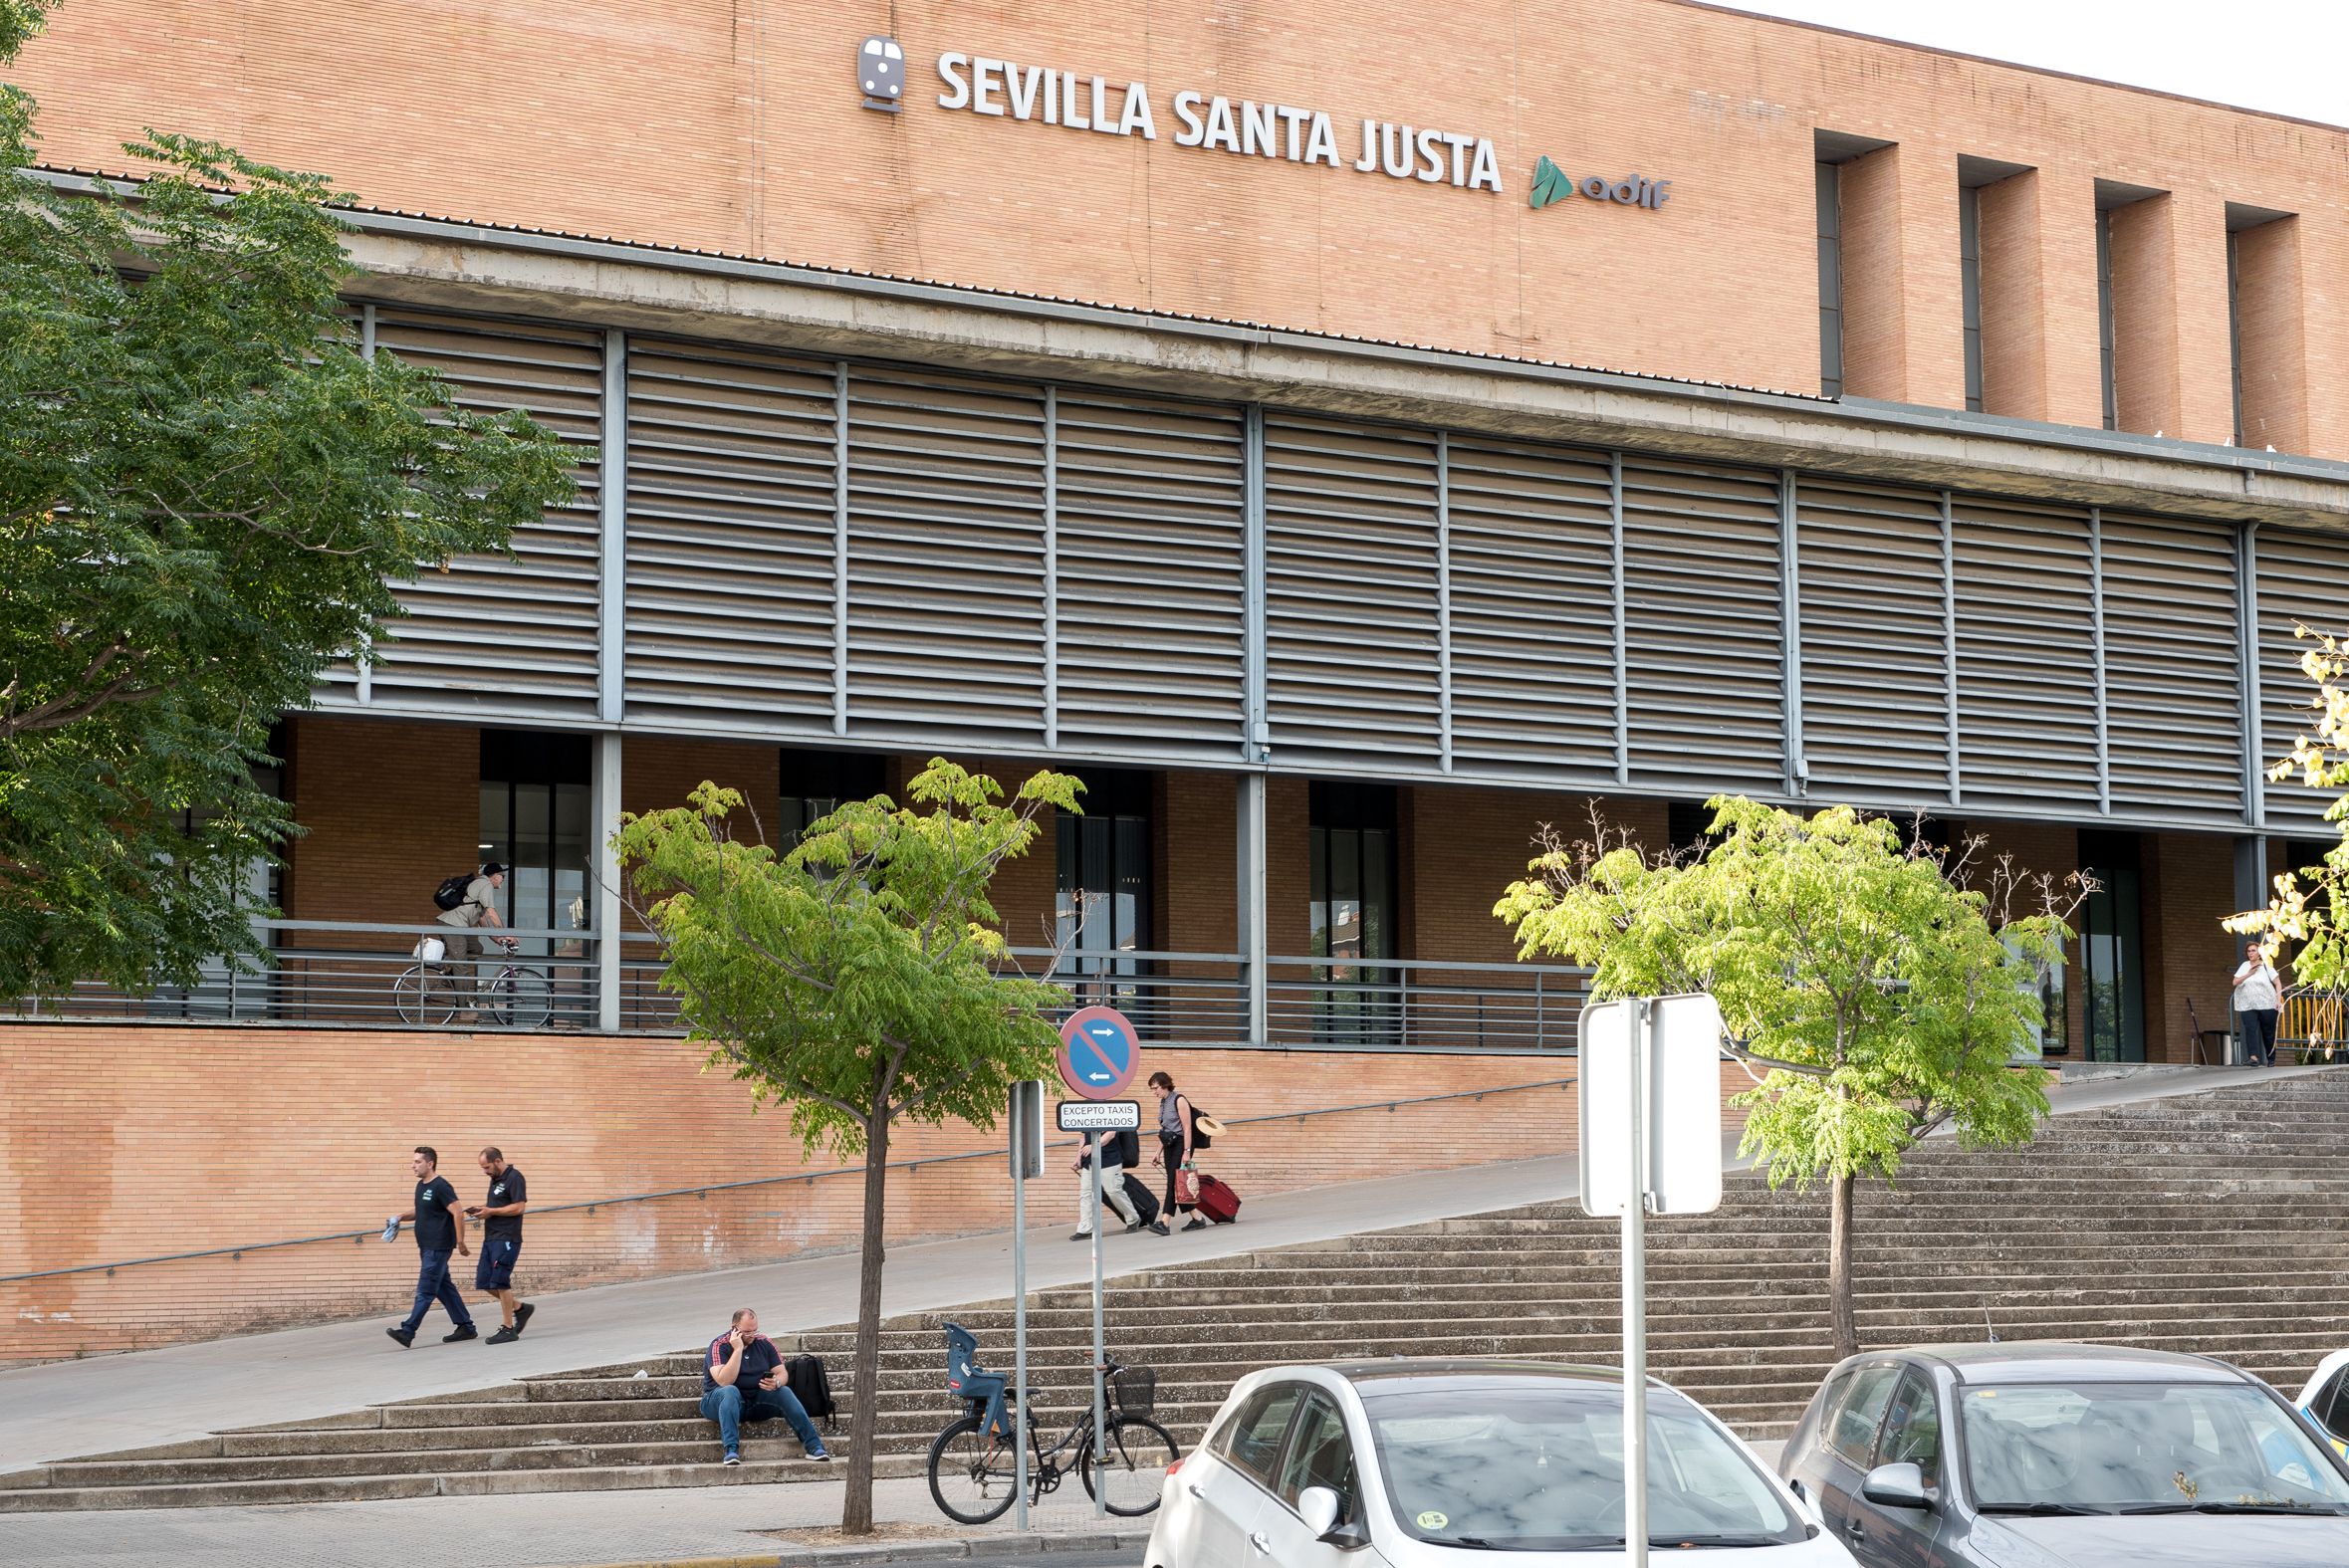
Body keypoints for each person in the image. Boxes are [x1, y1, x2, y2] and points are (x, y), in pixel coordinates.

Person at [700, 1307, 829, 1466]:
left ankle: (814, 1447)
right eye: (747, 1332)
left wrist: (777, 1382)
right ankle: (731, 1450)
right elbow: (724, 1380)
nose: (752, 1335)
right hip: (718, 1403)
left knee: (784, 1391)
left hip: (755, 1401)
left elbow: (783, 1373)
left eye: (755, 1330)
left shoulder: (764, 1342)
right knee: (730, 1391)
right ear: (734, 1327)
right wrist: (738, 1349)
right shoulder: (719, 1345)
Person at [386, 1146, 477, 1347]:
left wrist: (461, 1242)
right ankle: (466, 1327)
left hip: (438, 1247)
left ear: (430, 1163)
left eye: (417, 1162)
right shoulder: (422, 1186)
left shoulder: (441, 1186)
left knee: (426, 1289)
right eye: (413, 1161)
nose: (413, 1166)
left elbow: (458, 1212)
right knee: (443, 1287)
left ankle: (408, 1331)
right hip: (426, 1246)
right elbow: (421, 1211)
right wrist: (401, 1216)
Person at [465, 1146, 534, 1343]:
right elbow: (497, 1207)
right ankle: (520, 1308)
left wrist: (491, 1212)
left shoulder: (514, 1177)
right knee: (485, 1281)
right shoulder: (495, 1179)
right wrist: (483, 1210)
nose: (484, 1171)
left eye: (486, 1167)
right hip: (491, 1237)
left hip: (507, 1238)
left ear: (497, 1161)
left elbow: (519, 1207)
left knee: (500, 1281)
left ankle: (507, 1328)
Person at [434, 861, 514, 1024]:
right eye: (502, 876)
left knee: (476, 948)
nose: (503, 879)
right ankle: (465, 1011)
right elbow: (491, 913)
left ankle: (451, 973)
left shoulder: (480, 886)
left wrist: (498, 939)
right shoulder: (485, 884)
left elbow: (483, 919)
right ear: (494, 876)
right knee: (462, 967)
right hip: (452, 925)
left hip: (460, 927)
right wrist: (506, 934)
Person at [1072, 1126, 1157, 1240]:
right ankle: (1085, 1229)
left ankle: (1133, 1218)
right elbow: (1083, 1136)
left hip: (1110, 1160)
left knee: (1113, 1192)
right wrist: (1079, 1157)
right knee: (1086, 1194)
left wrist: (1094, 1146)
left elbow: (1111, 1134)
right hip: (1089, 1161)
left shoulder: (1110, 1110)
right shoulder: (1089, 1112)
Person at [1147, 1071, 1207, 1233]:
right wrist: (1157, 1152)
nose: (1154, 1092)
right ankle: (1198, 1219)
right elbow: (1165, 1129)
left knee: (1173, 1182)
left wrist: (1186, 1152)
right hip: (1169, 1144)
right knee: (1176, 1183)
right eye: (1152, 1089)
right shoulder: (1164, 1102)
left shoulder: (1179, 1100)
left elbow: (1187, 1128)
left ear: (1165, 1085)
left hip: (1182, 1143)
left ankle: (1164, 1222)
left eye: (1155, 1088)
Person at [2233, 940, 2284, 1067]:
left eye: (2253, 951)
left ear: (2259, 953)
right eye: (2248, 951)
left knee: (2268, 1032)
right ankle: (2253, 1057)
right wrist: (2249, 974)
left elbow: (2277, 983)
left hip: (2267, 1004)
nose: (2250, 953)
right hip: (2248, 1004)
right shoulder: (2245, 965)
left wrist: (2278, 1000)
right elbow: (2235, 982)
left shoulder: (2267, 965)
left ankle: (2271, 1058)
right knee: (2250, 1030)